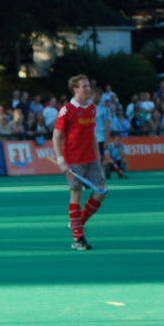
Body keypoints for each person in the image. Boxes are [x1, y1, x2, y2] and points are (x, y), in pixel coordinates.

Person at [53, 74, 107, 251]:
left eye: (88, 86)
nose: (87, 89)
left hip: (91, 158)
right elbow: (56, 137)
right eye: (84, 86)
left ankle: (77, 223)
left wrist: (98, 157)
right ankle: (78, 238)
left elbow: (92, 135)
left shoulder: (91, 108)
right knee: (76, 195)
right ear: (75, 89)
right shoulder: (67, 110)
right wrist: (61, 161)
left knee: (101, 192)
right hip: (73, 160)